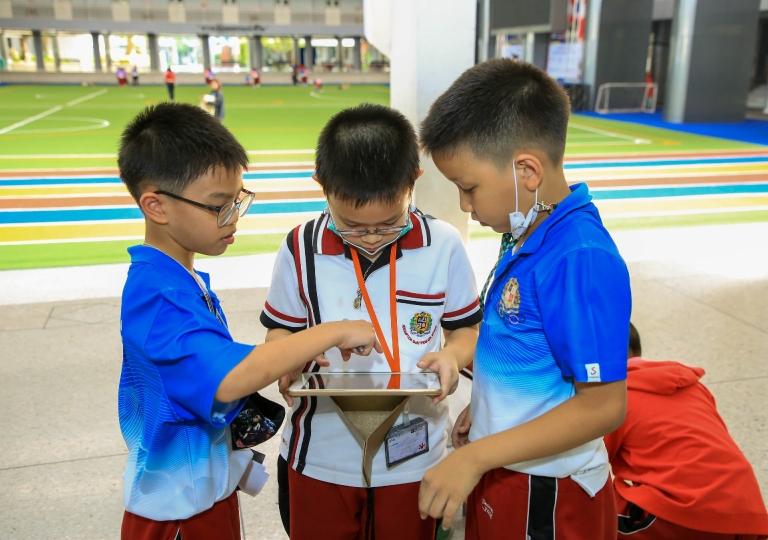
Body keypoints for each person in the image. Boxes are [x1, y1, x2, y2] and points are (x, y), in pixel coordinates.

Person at [116, 102, 381, 540]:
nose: (233, 217)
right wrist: (331, 332)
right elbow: (227, 380)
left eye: (238, 200)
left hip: (203, 496)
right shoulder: (160, 295)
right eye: (218, 205)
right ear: (156, 206)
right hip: (178, 514)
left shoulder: (179, 279)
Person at [418, 58, 631, 539]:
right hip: (511, 466)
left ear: (526, 171)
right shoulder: (526, 228)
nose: (465, 206)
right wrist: (493, 409)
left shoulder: (579, 257)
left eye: (467, 188)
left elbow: (602, 407)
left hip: (550, 494)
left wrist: (474, 456)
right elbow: (525, 348)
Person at [260, 103, 482, 540]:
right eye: (352, 226)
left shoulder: (444, 245)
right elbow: (281, 329)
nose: (370, 237)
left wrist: (453, 358)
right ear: (321, 185)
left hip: (415, 457)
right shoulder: (300, 247)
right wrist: (283, 358)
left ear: (412, 181)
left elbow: (466, 329)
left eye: (388, 224)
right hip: (319, 454)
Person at [607, 324, 768, 540]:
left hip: (683, 513)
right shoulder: (692, 385)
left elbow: (584, 465)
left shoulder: (613, 398)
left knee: (587, 510)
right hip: (747, 513)